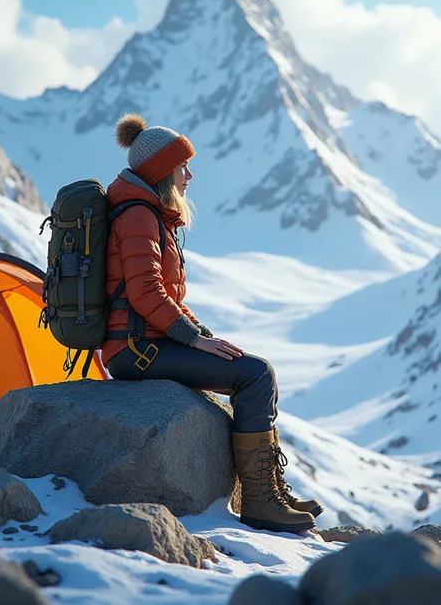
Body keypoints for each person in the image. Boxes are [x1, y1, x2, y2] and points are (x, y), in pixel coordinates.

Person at [102, 114, 323, 533]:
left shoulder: (149, 214)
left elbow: (163, 297)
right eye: (183, 167)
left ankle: (268, 489)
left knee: (253, 368)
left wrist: (202, 336)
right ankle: (261, 502)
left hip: (144, 342)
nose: (190, 175)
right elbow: (147, 293)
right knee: (254, 374)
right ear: (162, 173)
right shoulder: (138, 217)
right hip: (136, 350)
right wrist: (192, 340)